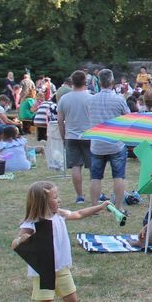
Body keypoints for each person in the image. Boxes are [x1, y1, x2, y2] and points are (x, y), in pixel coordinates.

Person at [12, 181, 107, 302]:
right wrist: (22, 239)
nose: (59, 200)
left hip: (61, 267)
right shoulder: (32, 222)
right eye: (55, 197)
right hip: (44, 271)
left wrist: (99, 207)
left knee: (71, 300)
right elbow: (15, 244)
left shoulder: (59, 214)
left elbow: (78, 214)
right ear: (43, 202)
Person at [86, 69, 130, 207]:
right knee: (119, 176)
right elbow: (128, 117)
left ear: (99, 82)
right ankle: (118, 206)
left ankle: (94, 206)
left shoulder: (91, 100)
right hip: (115, 143)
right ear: (112, 81)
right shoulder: (119, 99)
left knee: (95, 177)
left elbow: (88, 117)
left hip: (97, 144)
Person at [57, 72, 92, 204]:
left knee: (76, 167)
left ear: (72, 82)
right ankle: (96, 192)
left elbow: (60, 121)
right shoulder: (90, 98)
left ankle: (80, 196)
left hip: (71, 136)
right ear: (84, 82)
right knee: (93, 166)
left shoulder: (64, 99)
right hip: (88, 135)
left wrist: (63, 137)